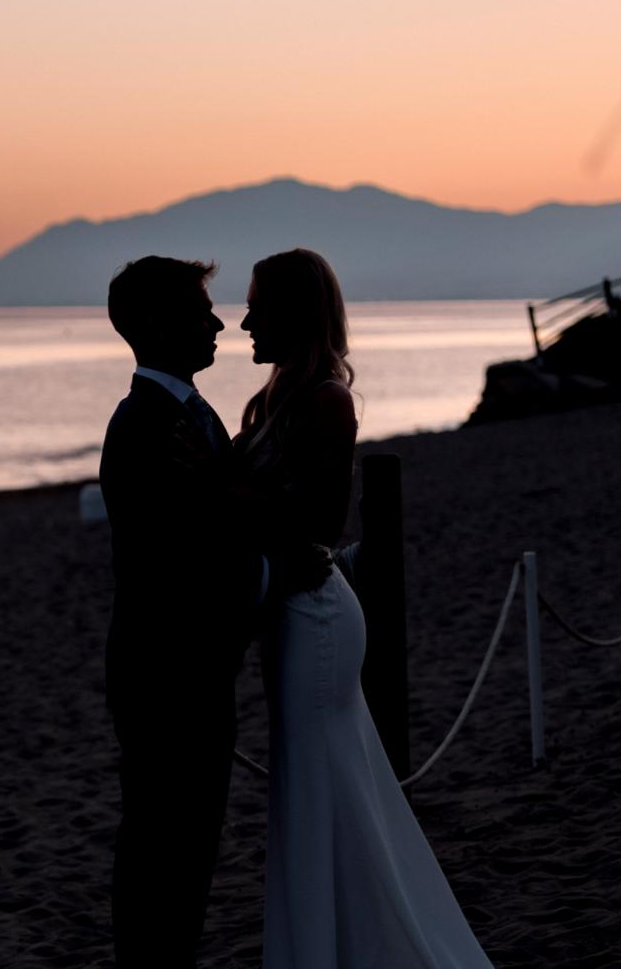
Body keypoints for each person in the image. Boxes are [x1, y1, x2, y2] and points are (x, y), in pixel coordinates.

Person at [236, 248, 493, 968]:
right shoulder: (277, 398)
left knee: (324, 791)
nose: (246, 320)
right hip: (291, 618)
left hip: (316, 621)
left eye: (259, 305)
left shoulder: (326, 399)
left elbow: (319, 521)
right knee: (318, 789)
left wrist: (233, 497)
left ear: (294, 313)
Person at [97, 256, 329, 965]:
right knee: (165, 858)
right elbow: (183, 569)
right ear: (161, 325)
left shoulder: (190, 419)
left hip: (192, 672)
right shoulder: (147, 428)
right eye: (203, 312)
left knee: (187, 856)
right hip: (168, 676)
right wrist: (277, 573)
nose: (220, 322)